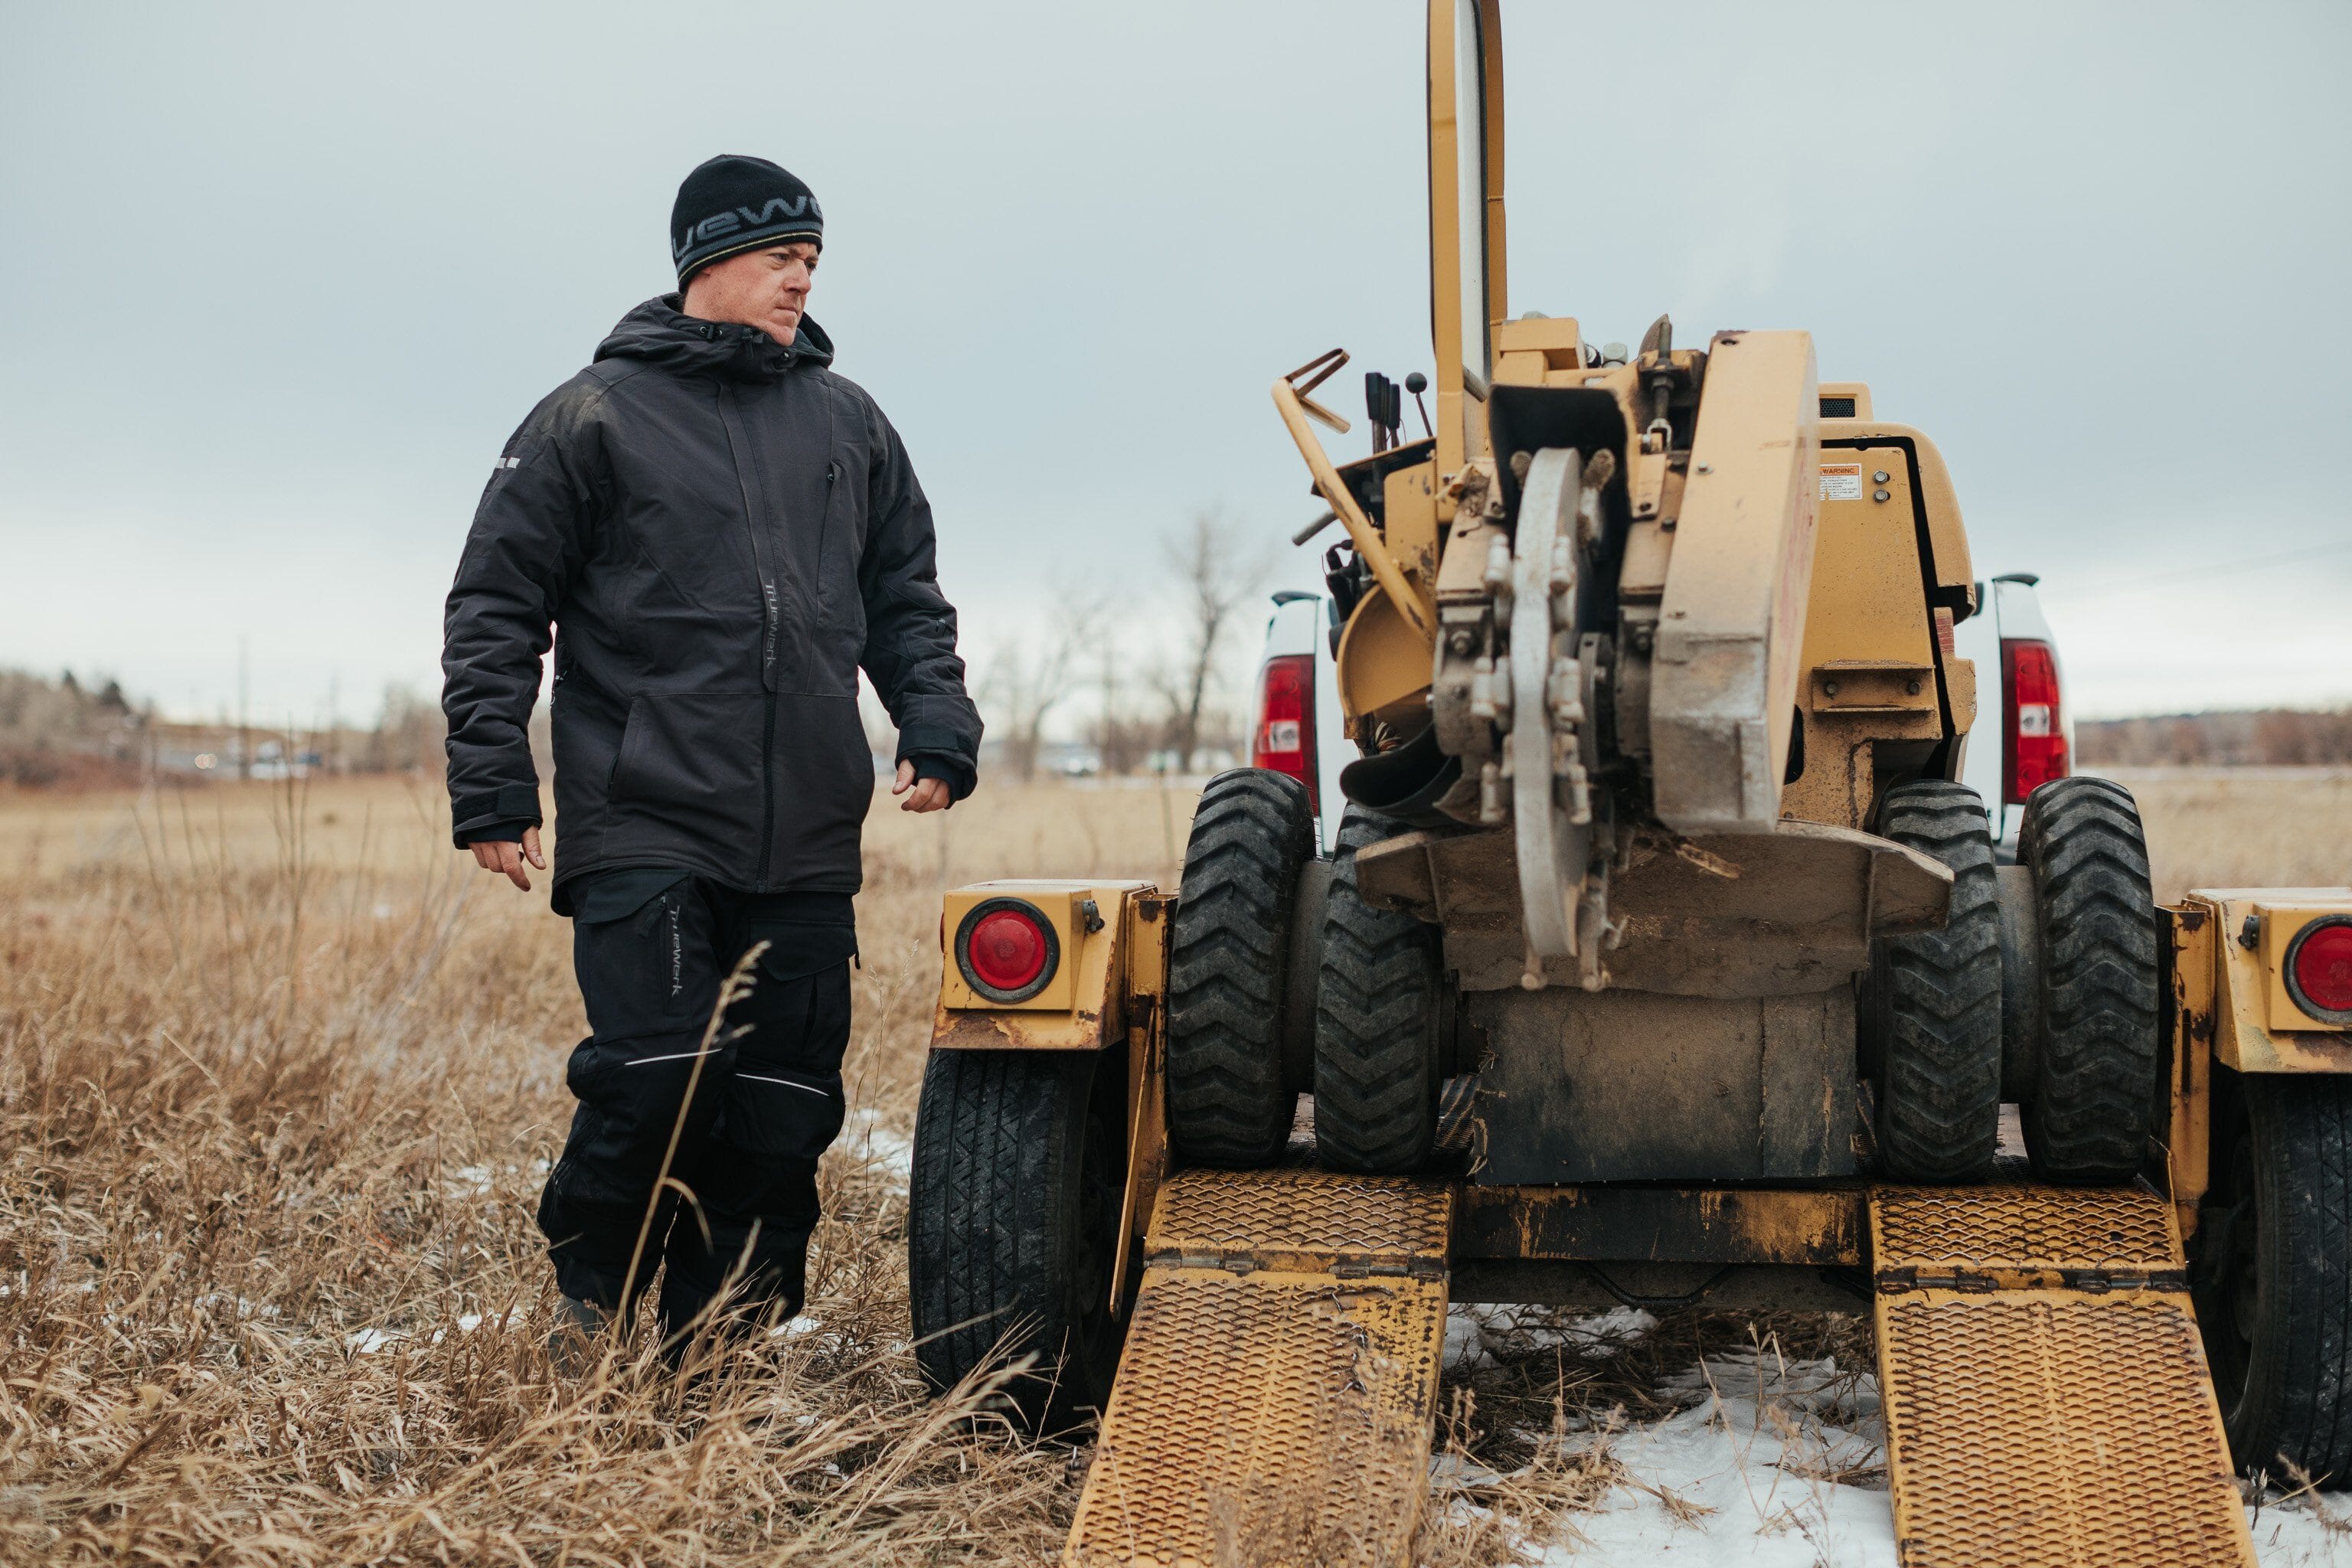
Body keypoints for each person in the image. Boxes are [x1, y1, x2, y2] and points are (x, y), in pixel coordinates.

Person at [441, 153, 982, 1350]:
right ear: (709, 261)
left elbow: (906, 596)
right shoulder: (592, 415)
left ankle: (719, 1335)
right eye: (782, 256)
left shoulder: (848, 422)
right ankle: (597, 1296)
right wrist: (491, 784)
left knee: (786, 1101)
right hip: (648, 810)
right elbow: (492, 606)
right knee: (656, 1074)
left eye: (814, 260)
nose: (803, 278)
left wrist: (934, 720)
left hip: (805, 827)